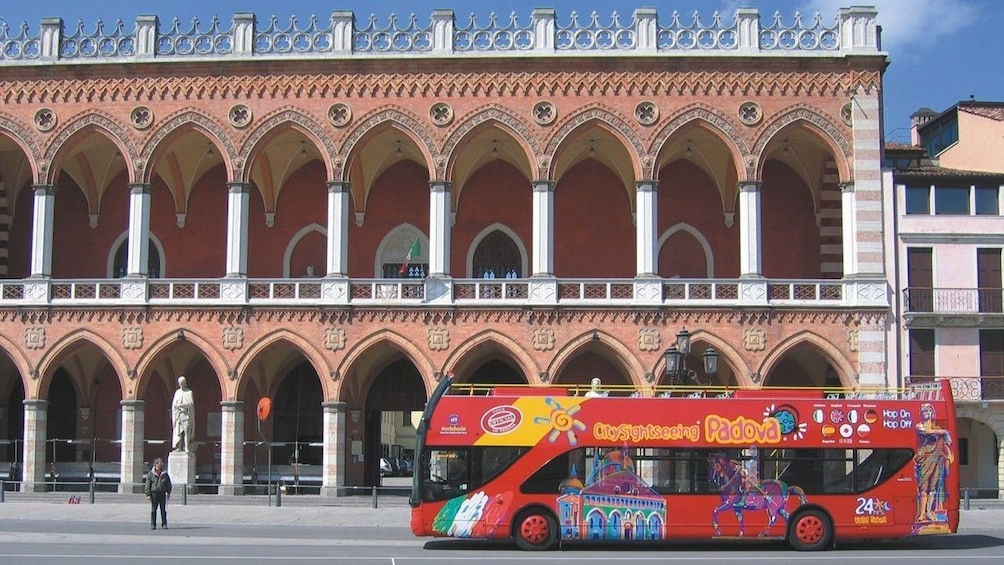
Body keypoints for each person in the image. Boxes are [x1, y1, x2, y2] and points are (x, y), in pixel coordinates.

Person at [144, 458, 172, 530]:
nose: (162, 464)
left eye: (162, 463)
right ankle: (153, 524)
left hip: (162, 493)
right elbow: (147, 484)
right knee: (154, 509)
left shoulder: (164, 473)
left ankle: (164, 524)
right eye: (160, 463)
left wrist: (168, 492)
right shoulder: (151, 473)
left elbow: (168, 484)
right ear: (156, 464)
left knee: (163, 509)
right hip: (154, 493)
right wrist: (148, 494)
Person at [172, 376, 195, 452]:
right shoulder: (177, 392)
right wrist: (177, 406)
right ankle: (178, 447)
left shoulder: (189, 392)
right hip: (178, 415)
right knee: (179, 431)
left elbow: (191, 404)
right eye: (180, 384)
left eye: (182, 383)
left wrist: (181, 405)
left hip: (186, 415)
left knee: (186, 431)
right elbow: (174, 405)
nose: (181, 385)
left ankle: (186, 447)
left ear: (185, 383)